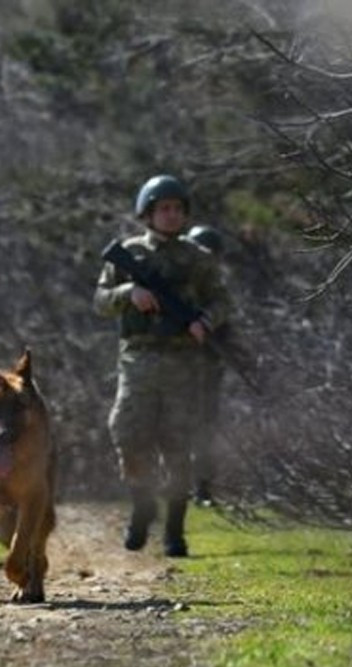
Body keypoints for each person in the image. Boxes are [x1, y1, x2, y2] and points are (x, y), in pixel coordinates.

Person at [94, 175, 230, 558]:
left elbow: (222, 300)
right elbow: (100, 300)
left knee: (177, 446)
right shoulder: (129, 252)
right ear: (148, 213)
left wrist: (205, 321)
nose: (171, 215)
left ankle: (174, 530)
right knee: (127, 432)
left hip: (183, 362)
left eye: (177, 209)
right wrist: (128, 293)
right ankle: (142, 503)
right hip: (138, 358)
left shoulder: (198, 259)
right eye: (163, 209)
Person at [186, 224, 226, 506]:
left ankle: (202, 487)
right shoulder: (181, 286)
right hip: (174, 366)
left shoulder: (216, 291)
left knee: (205, 429)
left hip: (207, 368)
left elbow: (226, 323)